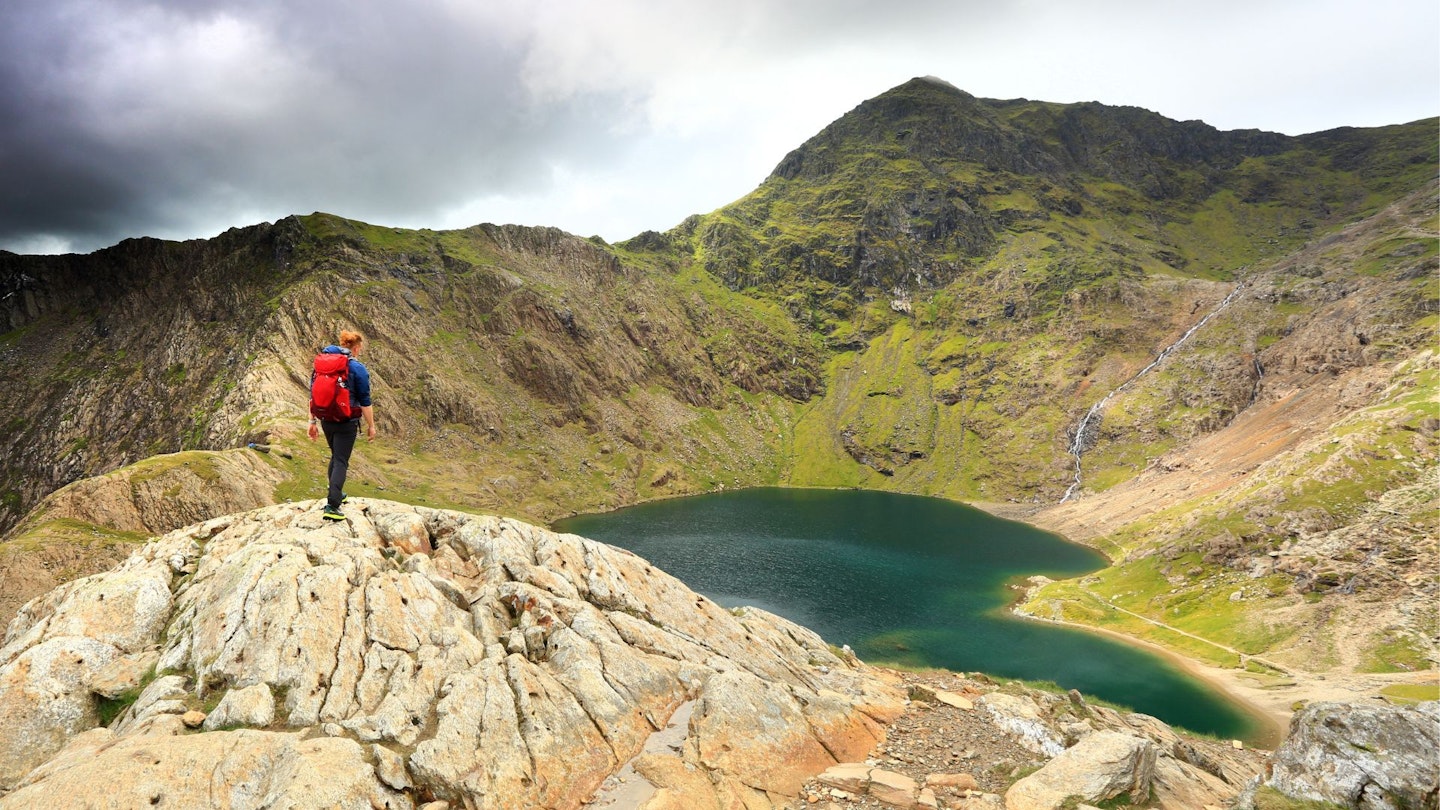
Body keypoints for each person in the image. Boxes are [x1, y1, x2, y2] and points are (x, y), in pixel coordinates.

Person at [307, 330, 376, 521]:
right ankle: (333, 505)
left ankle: (336, 494)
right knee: (341, 460)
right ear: (355, 348)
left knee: (336, 457)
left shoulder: (322, 366)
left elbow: (313, 395)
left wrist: (312, 422)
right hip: (347, 422)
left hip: (326, 419)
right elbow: (365, 401)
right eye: (359, 349)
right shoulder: (358, 369)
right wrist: (371, 426)